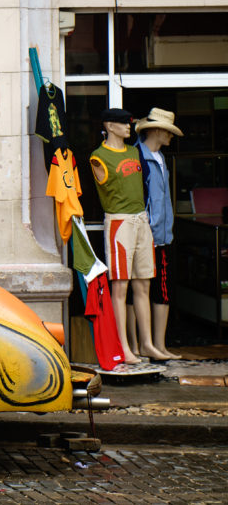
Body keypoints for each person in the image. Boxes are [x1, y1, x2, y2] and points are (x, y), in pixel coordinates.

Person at [89, 108, 163, 365]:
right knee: (120, 286)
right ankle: (124, 348)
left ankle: (147, 344)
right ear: (109, 125)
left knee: (144, 283)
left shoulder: (134, 152)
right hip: (119, 223)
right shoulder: (98, 157)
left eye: (129, 123)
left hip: (141, 219)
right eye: (123, 123)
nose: (128, 126)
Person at [135, 107, 183, 361]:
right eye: (168, 131)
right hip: (144, 234)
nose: (171, 137)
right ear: (156, 130)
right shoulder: (138, 157)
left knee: (162, 290)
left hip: (162, 235)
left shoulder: (162, 158)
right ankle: (142, 345)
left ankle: (159, 345)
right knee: (140, 288)